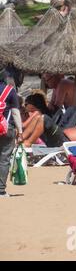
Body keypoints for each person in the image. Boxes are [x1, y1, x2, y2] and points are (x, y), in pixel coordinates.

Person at [0, 68, 22, 198]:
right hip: (7, 129)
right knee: (4, 159)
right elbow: (15, 112)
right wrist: (20, 131)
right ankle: (1, 190)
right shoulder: (10, 91)